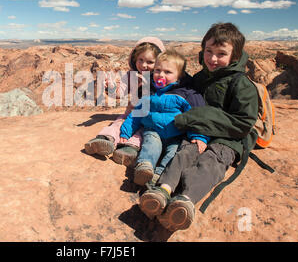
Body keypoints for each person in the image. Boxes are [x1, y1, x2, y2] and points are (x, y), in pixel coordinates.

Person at [138, 22, 259, 232]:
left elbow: (243, 123)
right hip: (197, 132)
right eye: (209, 51)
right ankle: (163, 190)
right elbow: (176, 85)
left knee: (211, 162)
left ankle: (185, 201)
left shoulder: (241, 84)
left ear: (235, 57)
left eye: (221, 54)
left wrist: (196, 118)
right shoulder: (201, 78)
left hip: (227, 138)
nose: (212, 59)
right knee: (183, 153)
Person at [119, 50, 209, 189]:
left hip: (177, 134)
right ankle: (145, 166)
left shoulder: (187, 94)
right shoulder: (149, 91)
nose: (161, 75)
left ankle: (159, 174)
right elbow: (137, 113)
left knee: (173, 153)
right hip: (153, 130)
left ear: (179, 75)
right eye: (158, 70)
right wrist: (126, 131)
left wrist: (198, 136)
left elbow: (197, 116)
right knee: (150, 144)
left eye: (167, 72)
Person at [84, 37, 165, 165]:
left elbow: (166, 99)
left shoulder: (161, 78)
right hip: (131, 113)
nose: (144, 65)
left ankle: (129, 149)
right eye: (141, 60)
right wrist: (110, 86)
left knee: (141, 132)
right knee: (118, 123)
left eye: (150, 62)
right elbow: (119, 93)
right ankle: (104, 139)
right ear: (135, 59)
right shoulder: (131, 75)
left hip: (150, 117)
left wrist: (147, 87)